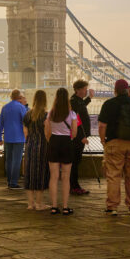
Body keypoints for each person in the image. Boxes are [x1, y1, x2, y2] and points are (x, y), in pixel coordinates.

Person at [98, 79, 130, 216]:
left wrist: (103, 141)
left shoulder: (108, 104)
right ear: (127, 90)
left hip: (114, 143)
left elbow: (102, 126)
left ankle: (112, 207)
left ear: (115, 90)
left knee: (114, 175)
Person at [46, 87, 79, 215]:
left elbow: (47, 131)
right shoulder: (72, 114)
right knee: (66, 177)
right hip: (66, 142)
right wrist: (69, 137)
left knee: (53, 177)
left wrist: (51, 140)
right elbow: (75, 132)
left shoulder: (51, 113)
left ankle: (54, 207)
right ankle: (65, 207)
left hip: (54, 142)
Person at [22, 89, 51, 211]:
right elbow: (47, 133)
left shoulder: (28, 114)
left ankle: (30, 203)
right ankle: (39, 204)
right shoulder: (45, 115)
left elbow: (25, 132)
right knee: (41, 173)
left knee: (29, 172)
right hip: (42, 146)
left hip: (29, 145)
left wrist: (29, 141)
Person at [0, 89, 28, 190]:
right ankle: (14, 183)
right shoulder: (21, 107)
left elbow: (0, 124)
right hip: (19, 138)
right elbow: (26, 121)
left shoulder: (5, 107)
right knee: (16, 161)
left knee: (8, 160)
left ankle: (9, 181)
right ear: (19, 97)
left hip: (8, 138)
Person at [69, 81, 92, 196]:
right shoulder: (73, 102)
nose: (86, 91)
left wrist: (89, 98)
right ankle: (74, 186)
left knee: (76, 161)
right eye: (84, 89)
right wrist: (81, 137)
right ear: (78, 90)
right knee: (74, 161)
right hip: (77, 138)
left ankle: (74, 185)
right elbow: (75, 121)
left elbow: (81, 106)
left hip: (80, 136)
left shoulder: (77, 101)